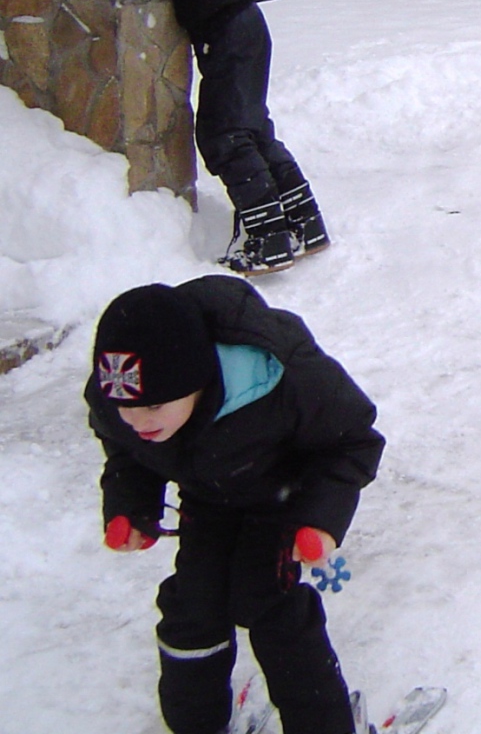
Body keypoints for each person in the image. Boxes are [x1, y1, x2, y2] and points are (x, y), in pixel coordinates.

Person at [86, 277, 384, 734]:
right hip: (208, 501)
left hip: (283, 498)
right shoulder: (123, 403)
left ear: (196, 382)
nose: (137, 422)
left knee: (268, 607)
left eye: (155, 408)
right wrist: (131, 507)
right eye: (125, 409)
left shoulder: (280, 377)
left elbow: (353, 441)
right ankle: (197, 725)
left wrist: (320, 519)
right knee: (192, 608)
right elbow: (129, 455)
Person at [89, 0, 329, 274]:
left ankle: (268, 240)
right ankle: (304, 222)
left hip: (227, 31)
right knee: (251, 128)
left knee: (224, 135)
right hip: (242, 25)